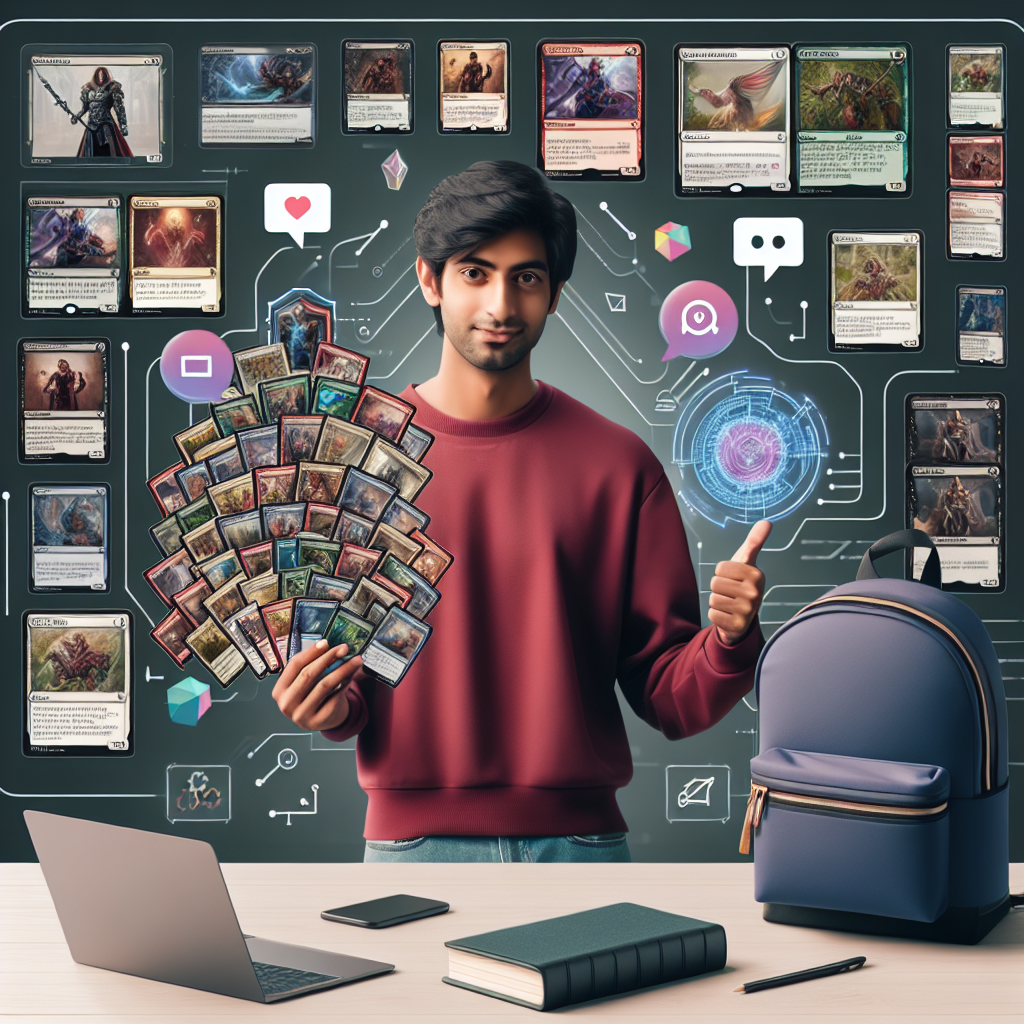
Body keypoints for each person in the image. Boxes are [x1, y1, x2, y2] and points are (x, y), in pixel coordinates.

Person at [272, 160, 770, 862]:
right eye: (475, 272)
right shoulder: (352, 459)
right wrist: (322, 702)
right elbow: (345, 676)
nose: (501, 305)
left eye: (526, 278)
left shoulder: (620, 468)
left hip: (581, 846)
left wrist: (727, 641)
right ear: (429, 280)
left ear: (555, 294)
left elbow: (669, 698)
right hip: (410, 846)